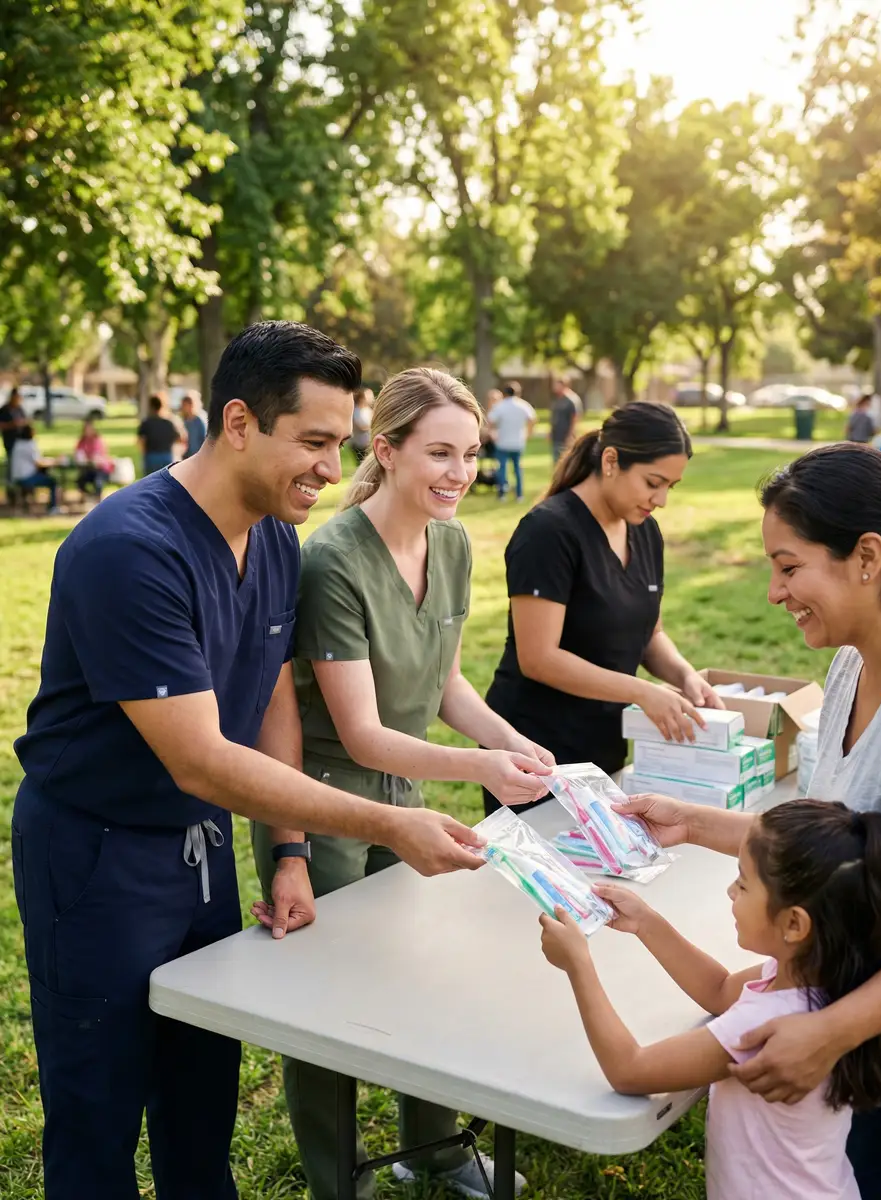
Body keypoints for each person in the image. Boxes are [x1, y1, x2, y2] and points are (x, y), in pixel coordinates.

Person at [11, 322, 488, 1200]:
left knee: (202, 1098)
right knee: (99, 1108)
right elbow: (200, 759)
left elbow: (270, 699)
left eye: (339, 445)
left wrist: (294, 849)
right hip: (94, 856)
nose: (330, 468)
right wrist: (388, 819)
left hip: (196, 852)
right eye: (311, 442)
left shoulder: (274, 537)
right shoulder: (130, 549)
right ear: (237, 422)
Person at [252, 366, 552, 1200]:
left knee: (426, 974)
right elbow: (362, 731)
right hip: (325, 801)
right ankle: (333, 1180)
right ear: (384, 450)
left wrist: (513, 740)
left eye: (472, 453)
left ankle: (436, 1149)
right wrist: (482, 768)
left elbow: (447, 686)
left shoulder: (453, 542)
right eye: (441, 453)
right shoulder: (332, 560)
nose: (461, 473)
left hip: (406, 794)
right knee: (328, 1001)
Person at [617, 442, 881, 1198]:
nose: (775, 592)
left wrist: (832, 1034)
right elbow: (837, 852)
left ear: (866, 556)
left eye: (788, 566)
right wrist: (692, 822)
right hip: (853, 1037)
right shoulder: (845, 667)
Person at [540, 799, 881, 1200]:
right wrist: (646, 922)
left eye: (743, 883)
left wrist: (578, 964)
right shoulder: (829, 980)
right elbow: (720, 990)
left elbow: (630, 1070)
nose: (731, 891)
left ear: (794, 923)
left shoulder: (765, 1023)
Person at [483, 402, 724, 816]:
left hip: (604, 744)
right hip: (536, 750)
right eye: (653, 482)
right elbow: (539, 658)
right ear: (611, 460)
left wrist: (684, 676)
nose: (661, 499)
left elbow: (651, 635)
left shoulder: (645, 531)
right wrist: (642, 691)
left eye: (671, 486)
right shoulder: (548, 532)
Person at [489, 383, 536, 502]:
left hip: (503, 442)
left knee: (502, 468)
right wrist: (528, 433)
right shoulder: (523, 405)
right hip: (518, 442)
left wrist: (493, 433)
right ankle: (519, 494)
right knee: (517, 469)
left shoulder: (500, 406)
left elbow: (490, 420)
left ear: (504, 393)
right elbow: (532, 419)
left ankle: (502, 494)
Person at [10, 423, 59, 513]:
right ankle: (53, 508)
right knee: (52, 481)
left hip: (16, 477)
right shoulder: (29, 445)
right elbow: (39, 462)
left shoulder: (17, 444)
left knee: (43, 475)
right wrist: (55, 461)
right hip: (26, 478)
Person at [138, 392, 182, 474]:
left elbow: (141, 441)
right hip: (167, 456)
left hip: (151, 456)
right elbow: (180, 438)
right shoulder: (170, 422)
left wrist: (144, 455)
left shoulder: (146, 423)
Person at [73, 417, 114, 498]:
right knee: (80, 480)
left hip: (102, 469)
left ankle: (97, 497)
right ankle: (90, 496)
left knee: (98, 481)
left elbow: (98, 456)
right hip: (89, 468)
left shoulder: (97, 440)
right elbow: (78, 453)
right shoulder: (82, 441)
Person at [549, 377, 583, 462]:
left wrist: (570, 434)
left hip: (566, 436)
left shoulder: (572, 400)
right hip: (556, 435)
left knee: (565, 461)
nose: (554, 387)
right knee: (556, 461)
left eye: (556, 385)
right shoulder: (558, 399)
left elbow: (575, 417)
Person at [0, 385, 28, 483]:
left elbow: (25, 420)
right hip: (10, 441)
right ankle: (10, 484)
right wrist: (12, 424)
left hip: (22, 441)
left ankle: (21, 484)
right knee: (11, 462)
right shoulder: (5, 409)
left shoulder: (19, 409)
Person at [180, 390, 208, 458]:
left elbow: (205, 438)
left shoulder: (200, 419)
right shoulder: (185, 420)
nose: (183, 407)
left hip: (199, 456)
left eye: (185, 405)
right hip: (188, 456)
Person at [349, 386, 373, 464]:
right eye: (368, 395)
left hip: (369, 442)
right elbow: (360, 427)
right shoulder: (355, 411)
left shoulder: (368, 410)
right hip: (359, 444)